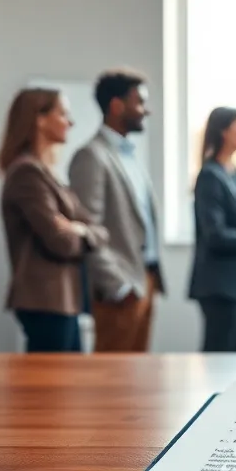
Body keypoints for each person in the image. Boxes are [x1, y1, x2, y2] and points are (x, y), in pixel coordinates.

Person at [0, 88, 108, 353]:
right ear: (40, 118)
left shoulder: (49, 174)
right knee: (51, 390)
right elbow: (61, 243)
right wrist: (79, 232)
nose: (71, 122)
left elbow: (99, 231)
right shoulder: (27, 173)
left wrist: (78, 229)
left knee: (66, 388)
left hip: (63, 300)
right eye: (63, 114)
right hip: (44, 301)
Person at [68, 68, 165, 353]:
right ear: (116, 105)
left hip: (145, 279)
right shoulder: (91, 156)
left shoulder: (129, 155)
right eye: (140, 102)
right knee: (112, 380)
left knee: (136, 375)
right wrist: (117, 286)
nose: (146, 111)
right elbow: (89, 227)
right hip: (120, 288)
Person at [187, 106, 236, 352]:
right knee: (221, 354)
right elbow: (215, 234)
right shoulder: (210, 176)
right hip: (220, 287)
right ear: (224, 131)